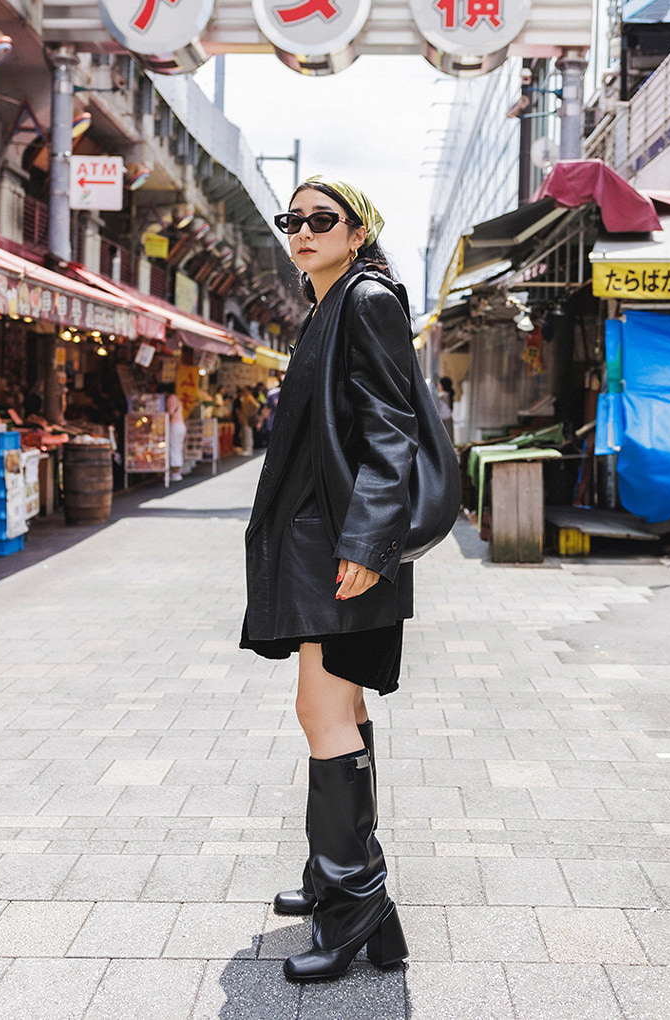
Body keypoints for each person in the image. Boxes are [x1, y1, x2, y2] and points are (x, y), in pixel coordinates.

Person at [240, 175, 414, 981]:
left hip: (342, 542)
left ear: (356, 229)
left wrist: (368, 541)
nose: (302, 231)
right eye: (293, 219)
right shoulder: (330, 303)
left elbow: (391, 426)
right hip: (329, 539)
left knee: (320, 709)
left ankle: (350, 907)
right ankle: (344, 886)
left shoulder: (365, 298)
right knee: (340, 702)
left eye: (322, 220)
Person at [164, 385, 186, 482]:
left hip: (174, 425)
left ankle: (175, 473)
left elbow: (171, 413)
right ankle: (178, 471)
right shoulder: (176, 398)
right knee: (178, 448)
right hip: (181, 425)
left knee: (174, 448)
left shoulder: (170, 398)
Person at [437, 376, 455, 442]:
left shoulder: (443, 394)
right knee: (449, 436)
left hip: (444, 418)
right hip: (448, 417)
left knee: (445, 437)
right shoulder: (448, 394)